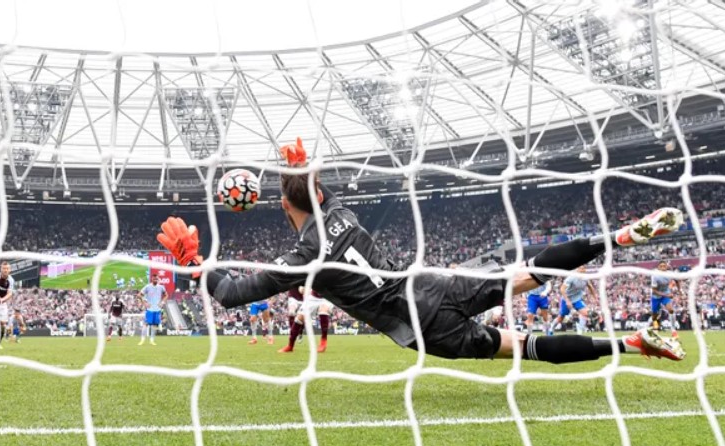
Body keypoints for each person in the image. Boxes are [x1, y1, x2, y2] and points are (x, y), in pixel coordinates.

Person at [156, 139, 685, 364]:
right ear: (318, 192)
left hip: (422, 327)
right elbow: (315, 194)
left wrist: (197, 266)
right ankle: (614, 239)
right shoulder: (342, 212)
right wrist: (299, 169)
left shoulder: (299, 261)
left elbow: (230, 294)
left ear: (280, 206)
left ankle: (636, 342)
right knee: (528, 272)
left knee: (525, 347)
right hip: (431, 282)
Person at [279, 287, 332, 353]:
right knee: (299, 318)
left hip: (328, 296)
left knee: (323, 310)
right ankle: (290, 346)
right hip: (313, 297)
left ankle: (323, 342)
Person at [549, 266, 597, 335]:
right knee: (561, 318)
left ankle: (579, 331)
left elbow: (590, 287)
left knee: (586, 313)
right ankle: (551, 328)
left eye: (583, 268)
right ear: (577, 269)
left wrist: (595, 297)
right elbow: (562, 289)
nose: (582, 270)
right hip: (566, 298)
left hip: (577, 299)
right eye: (580, 268)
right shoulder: (571, 278)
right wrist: (567, 300)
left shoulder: (586, 278)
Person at [651, 260, 679, 338]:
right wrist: (666, 295)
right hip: (656, 296)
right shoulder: (655, 276)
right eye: (661, 266)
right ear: (658, 268)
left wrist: (680, 291)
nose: (663, 267)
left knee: (671, 310)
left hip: (665, 294)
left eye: (664, 266)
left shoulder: (670, 273)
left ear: (666, 267)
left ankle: (673, 330)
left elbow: (677, 280)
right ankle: (655, 325)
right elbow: (654, 290)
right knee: (654, 315)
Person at [137, 275, 167, 346]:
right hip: (150, 310)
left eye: (157, 279)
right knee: (146, 324)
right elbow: (139, 295)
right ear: (152, 279)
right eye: (154, 279)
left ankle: (152, 340)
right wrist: (144, 303)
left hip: (157, 310)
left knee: (154, 326)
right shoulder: (147, 287)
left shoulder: (161, 287)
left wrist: (162, 302)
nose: (156, 280)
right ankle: (142, 340)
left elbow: (166, 295)